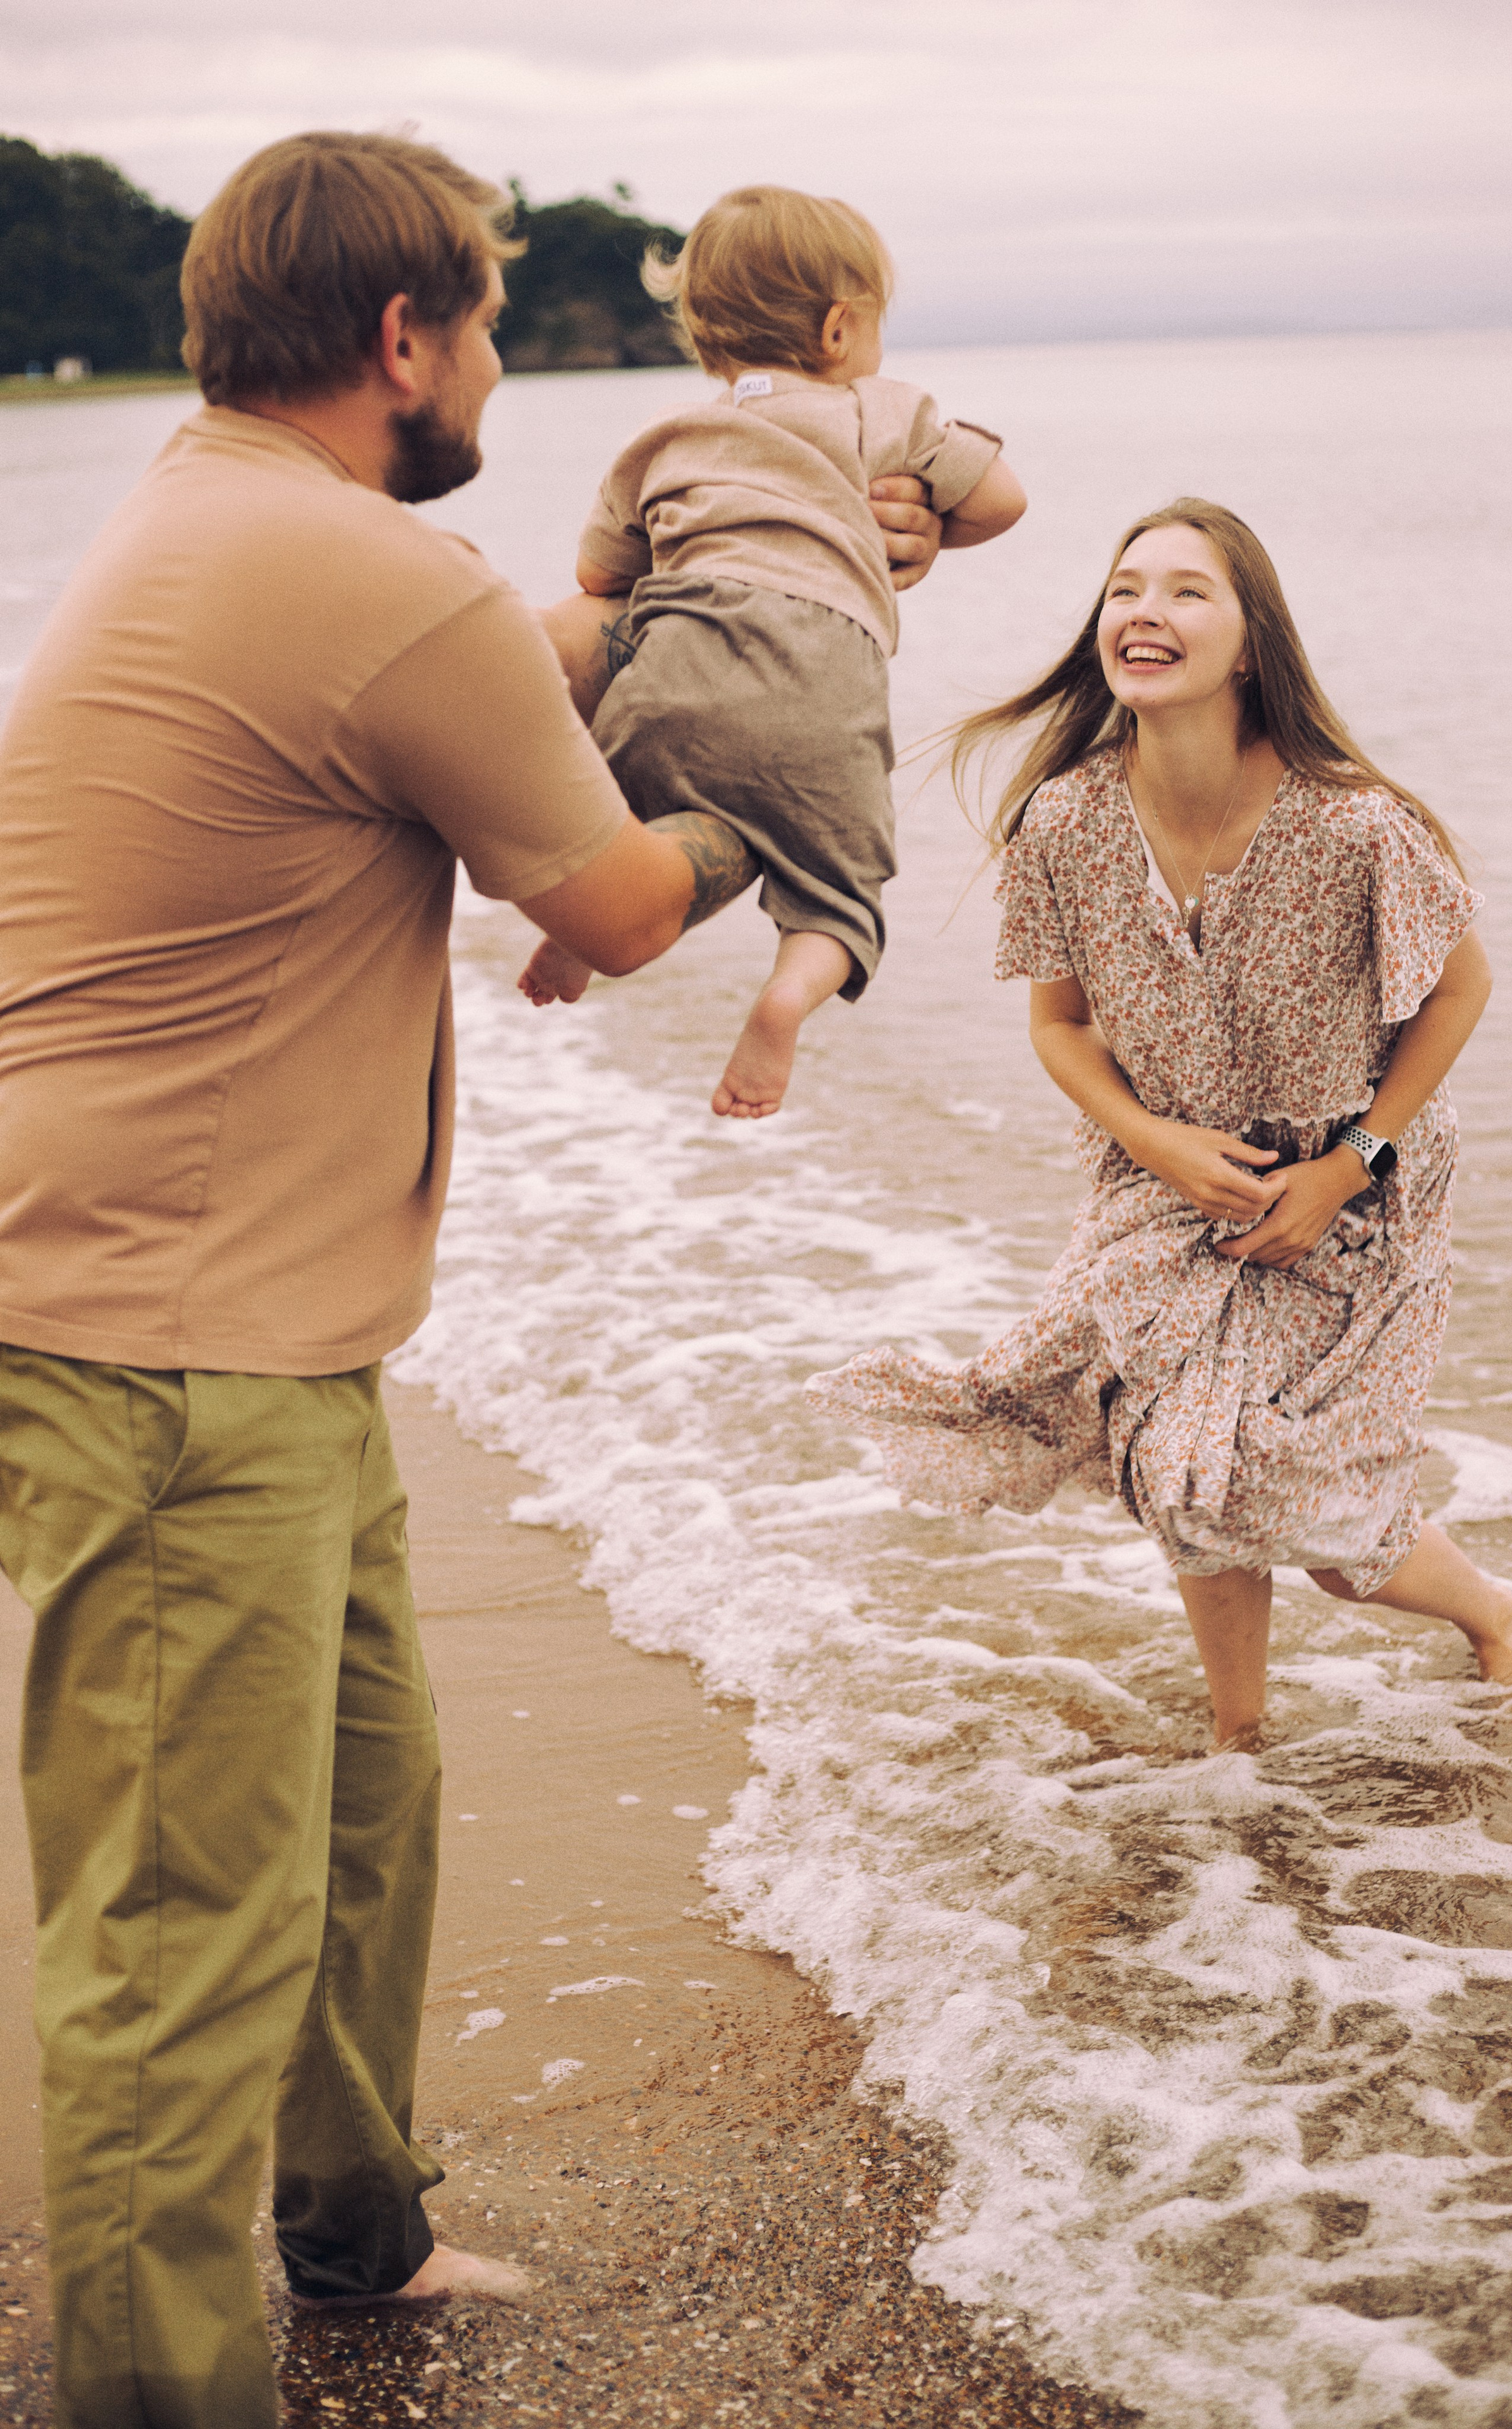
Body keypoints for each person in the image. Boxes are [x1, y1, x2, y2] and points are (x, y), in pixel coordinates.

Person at [0, 130, 945, 2429]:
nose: (513, 361)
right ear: (404, 338)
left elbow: (504, 649)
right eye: (500, 320)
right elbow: (617, 908)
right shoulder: (361, 575)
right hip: (162, 1343)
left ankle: (358, 2236)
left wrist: (715, 604)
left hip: (254, 1330)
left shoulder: (235, 514)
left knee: (367, 1806)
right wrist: (795, 741)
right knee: (174, 1935)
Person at [809, 498, 1512, 1745]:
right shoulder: (1065, 822)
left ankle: (1492, 1617)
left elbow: (1459, 985)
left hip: (1358, 1198)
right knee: (1184, 1467)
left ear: (1249, 643)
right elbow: (1057, 1028)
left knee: (1323, 1531)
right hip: (1163, 1183)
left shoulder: (1352, 823)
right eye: (1123, 589)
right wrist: (1151, 1142)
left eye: (1184, 591)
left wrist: (1348, 1162)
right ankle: (1235, 1733)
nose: (1143, 611)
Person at [521, 183, 1026, 1118]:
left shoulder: (666, 435)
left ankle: (582, 933)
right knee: (836, 890)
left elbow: (597, 575)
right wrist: (911, 529)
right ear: (840, 331)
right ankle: (787, 998)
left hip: (676, 663)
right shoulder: (883, 409)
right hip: (822, 680)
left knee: (639, 819)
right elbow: (1002, 501)